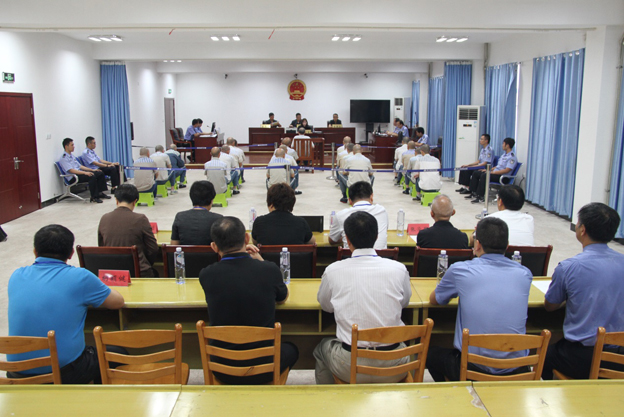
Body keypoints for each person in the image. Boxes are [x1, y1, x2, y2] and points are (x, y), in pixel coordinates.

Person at [7, 225, 125, 384]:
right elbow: (117, 302)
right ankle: (98, 395)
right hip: (63, 374)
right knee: (118, 353)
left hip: (16, 374)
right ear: (71, 254)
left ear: (35, 251)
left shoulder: (16, 276)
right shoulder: (80, 277)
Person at [426, 217, 533, 381]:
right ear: (507, 245)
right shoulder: (524, 274)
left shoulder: (461, 270)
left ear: (477, 245)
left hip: (473, 369)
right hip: (517, 370)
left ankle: (456, 391)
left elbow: (436, 299)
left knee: (430, 354)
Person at [314, 211, 412, 384]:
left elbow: (326, 306)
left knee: (321, 348)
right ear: (376, 236)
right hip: (394, 364)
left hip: (351, 365)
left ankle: (330, 398)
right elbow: (404, 303)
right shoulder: (398, 269)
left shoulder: (333, 270)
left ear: (347, 239)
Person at [199, 216, 299, 384]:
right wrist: (260, 260)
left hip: (222, 369)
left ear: (214, 247)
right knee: (292, 349)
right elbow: (282, 298)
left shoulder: (206, 275)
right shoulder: (269, 270)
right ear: (247, 238)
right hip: (264, 368)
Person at [542, 203, 624, 380]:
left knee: (542, 355)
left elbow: (550, 306)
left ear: (582, 230)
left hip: (583, 357)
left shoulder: (568, 267)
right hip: (620, 356)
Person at [98, 184, 160, 277]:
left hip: (113, 274)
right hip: (139, 272)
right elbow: (153, 248)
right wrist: (146, 262)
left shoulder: (104, 218)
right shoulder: (140, 219)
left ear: (116, 200)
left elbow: (102, 246)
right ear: (135, 201)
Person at [329, 181, 388, 249]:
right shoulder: (382, 211)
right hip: (381, 255)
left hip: (350, 255)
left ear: (350, 200)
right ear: (371, 196)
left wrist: (347, 237)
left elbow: (332, 240)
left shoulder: (341, 215)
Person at [171, 181, 223, 246]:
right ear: (211, 200)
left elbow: (173, 246)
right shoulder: (218, 219)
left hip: (186, 253)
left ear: (191, 197)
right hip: (210, 253)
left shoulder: (180, 217)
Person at [58, 138, 109, 203]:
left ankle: (100, 193)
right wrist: (85, 173)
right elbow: (71, 170)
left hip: (79, 173)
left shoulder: (71, 156)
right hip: (73, 177)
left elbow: (80, 166)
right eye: (72, 145)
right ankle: (94, 197)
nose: (74, 146)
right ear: (66, 146)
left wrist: (92, 170)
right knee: (91, 176)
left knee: (99, 172)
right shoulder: (64, 158)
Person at [467, 137, 518, 203]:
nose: (502, 145)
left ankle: (481, 197)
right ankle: (473, 192)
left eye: (503, 143)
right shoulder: (504, 155)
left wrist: (492, 172)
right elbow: (498, 166)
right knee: (477, 173)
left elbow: (507, 170)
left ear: (507, 145)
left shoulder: (512, 157)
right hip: (496, 173)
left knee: (484, 176)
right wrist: (489, 170)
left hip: (503, 177)